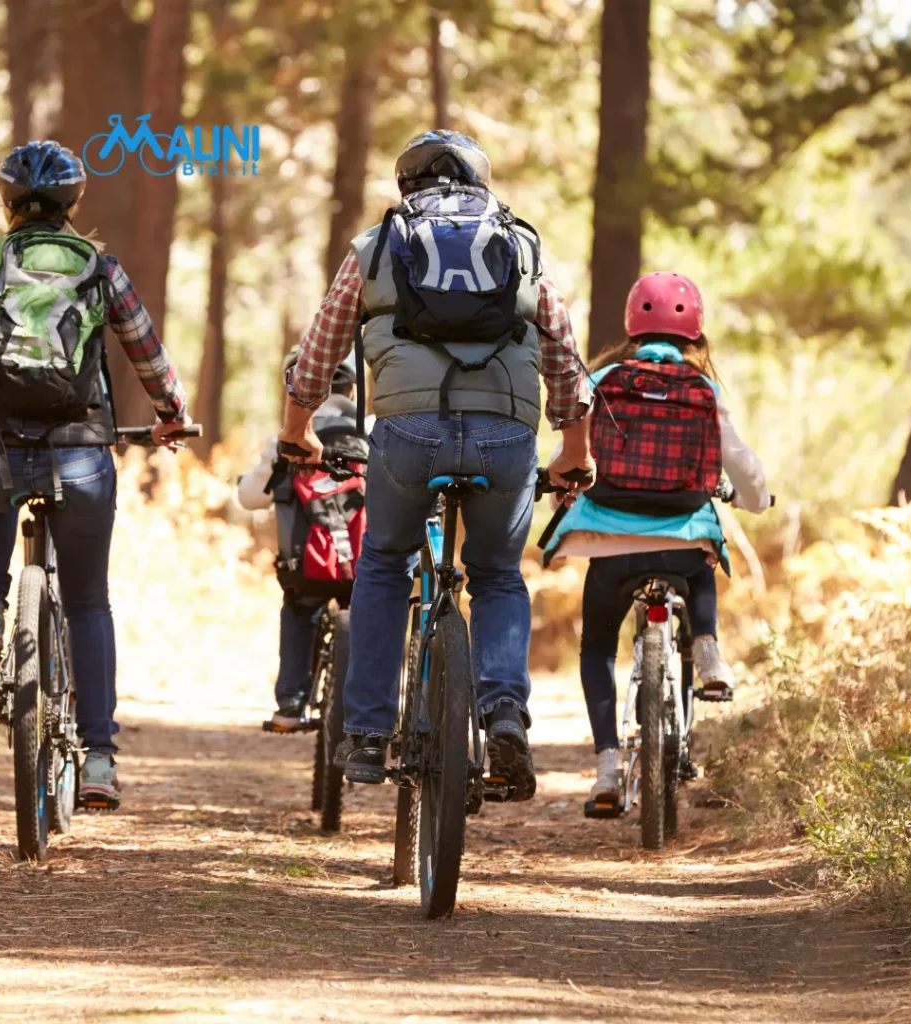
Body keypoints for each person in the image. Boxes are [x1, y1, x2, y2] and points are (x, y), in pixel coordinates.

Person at [279, 129, 593, 800]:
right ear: (482, 184)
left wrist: (296, 433)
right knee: (499, 575)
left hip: (407, 434)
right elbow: (564, 354)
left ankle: (365, 733)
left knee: (385, 563)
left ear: (406, 187)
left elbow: (316, 357)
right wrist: (575, 448)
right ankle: (504, 713)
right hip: (505, 437)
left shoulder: (377, 246)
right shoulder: (523, 244)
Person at [0, 141, 189, 808]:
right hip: (81, 452)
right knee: (90, 602)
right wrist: (171, 415)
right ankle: (98, 758)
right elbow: (145, 351)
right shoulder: (101, 267)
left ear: (8, 202)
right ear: (74, 203)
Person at [542, 271, 770, 812]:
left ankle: (604, 769)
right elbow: (743, 466)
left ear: (631, 325)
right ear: (695, 332)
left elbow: (570, 451)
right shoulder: (704, 389)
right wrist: (757, 500)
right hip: (681, 537)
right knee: (702, 560)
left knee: (597, 647)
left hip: (610, 541)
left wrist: (556, 492)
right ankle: (708, 649)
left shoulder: (604, 380)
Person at [237, 352, 369, 731]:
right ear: (351, 388)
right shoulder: (371, 430)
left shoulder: (286, 440)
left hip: (305, 568)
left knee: (299, 608)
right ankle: (371, 712)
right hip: (366, 565)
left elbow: (249, 498)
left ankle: (292, 703)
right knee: (374, 613)